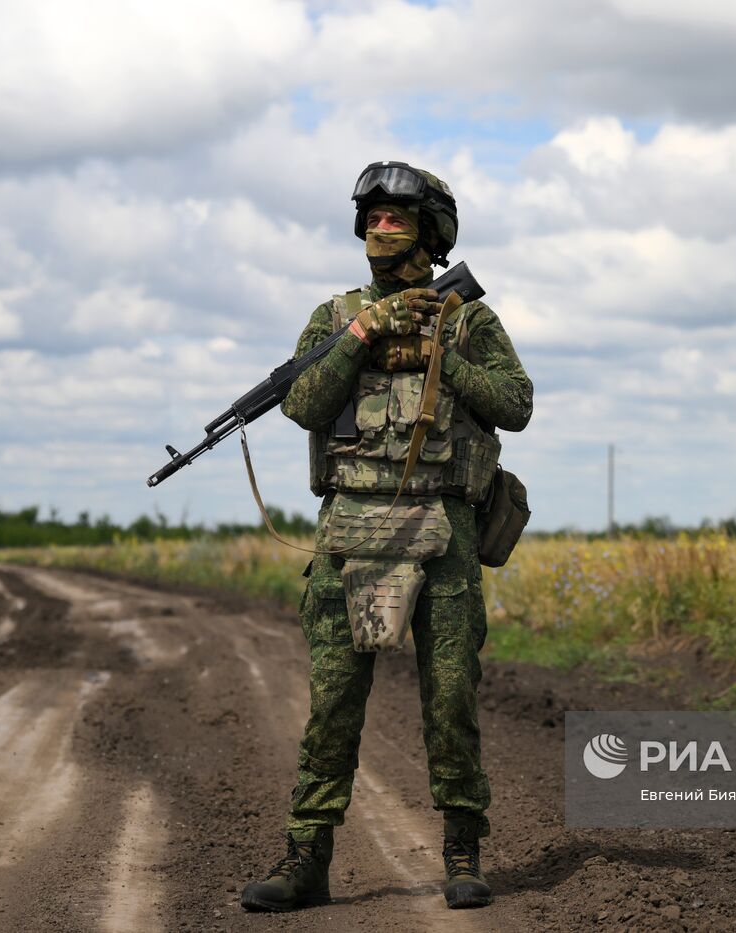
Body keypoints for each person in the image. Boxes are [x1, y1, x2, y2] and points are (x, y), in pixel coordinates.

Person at [239, 161, 533, 912]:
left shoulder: (468, 319)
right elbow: (302, 401)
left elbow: (517, 403)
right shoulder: (335, 317)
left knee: (451, 700)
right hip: (349, 535)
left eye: (396, 216)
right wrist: (366, 333)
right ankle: (306, 856)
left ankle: (463, 850)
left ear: (431, 233)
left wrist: (441, 351)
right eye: (370, 216)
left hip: (445, 534)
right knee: (334, 703)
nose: (379, 225)